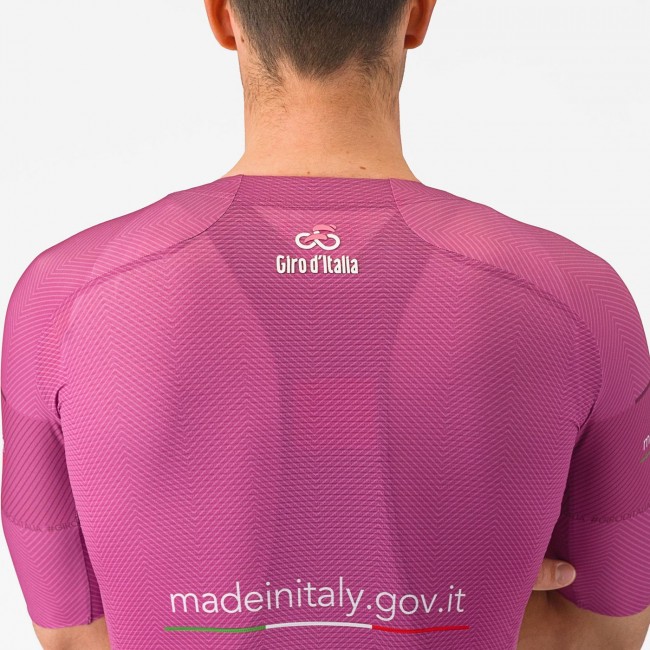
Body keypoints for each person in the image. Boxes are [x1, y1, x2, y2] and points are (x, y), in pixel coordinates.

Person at [1, 0, 648, 648]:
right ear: (418, 15)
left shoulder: (63, 294)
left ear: (222, 17)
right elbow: (600, 636)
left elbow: (76, 636)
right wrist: (476, 596)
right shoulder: (578, 295)